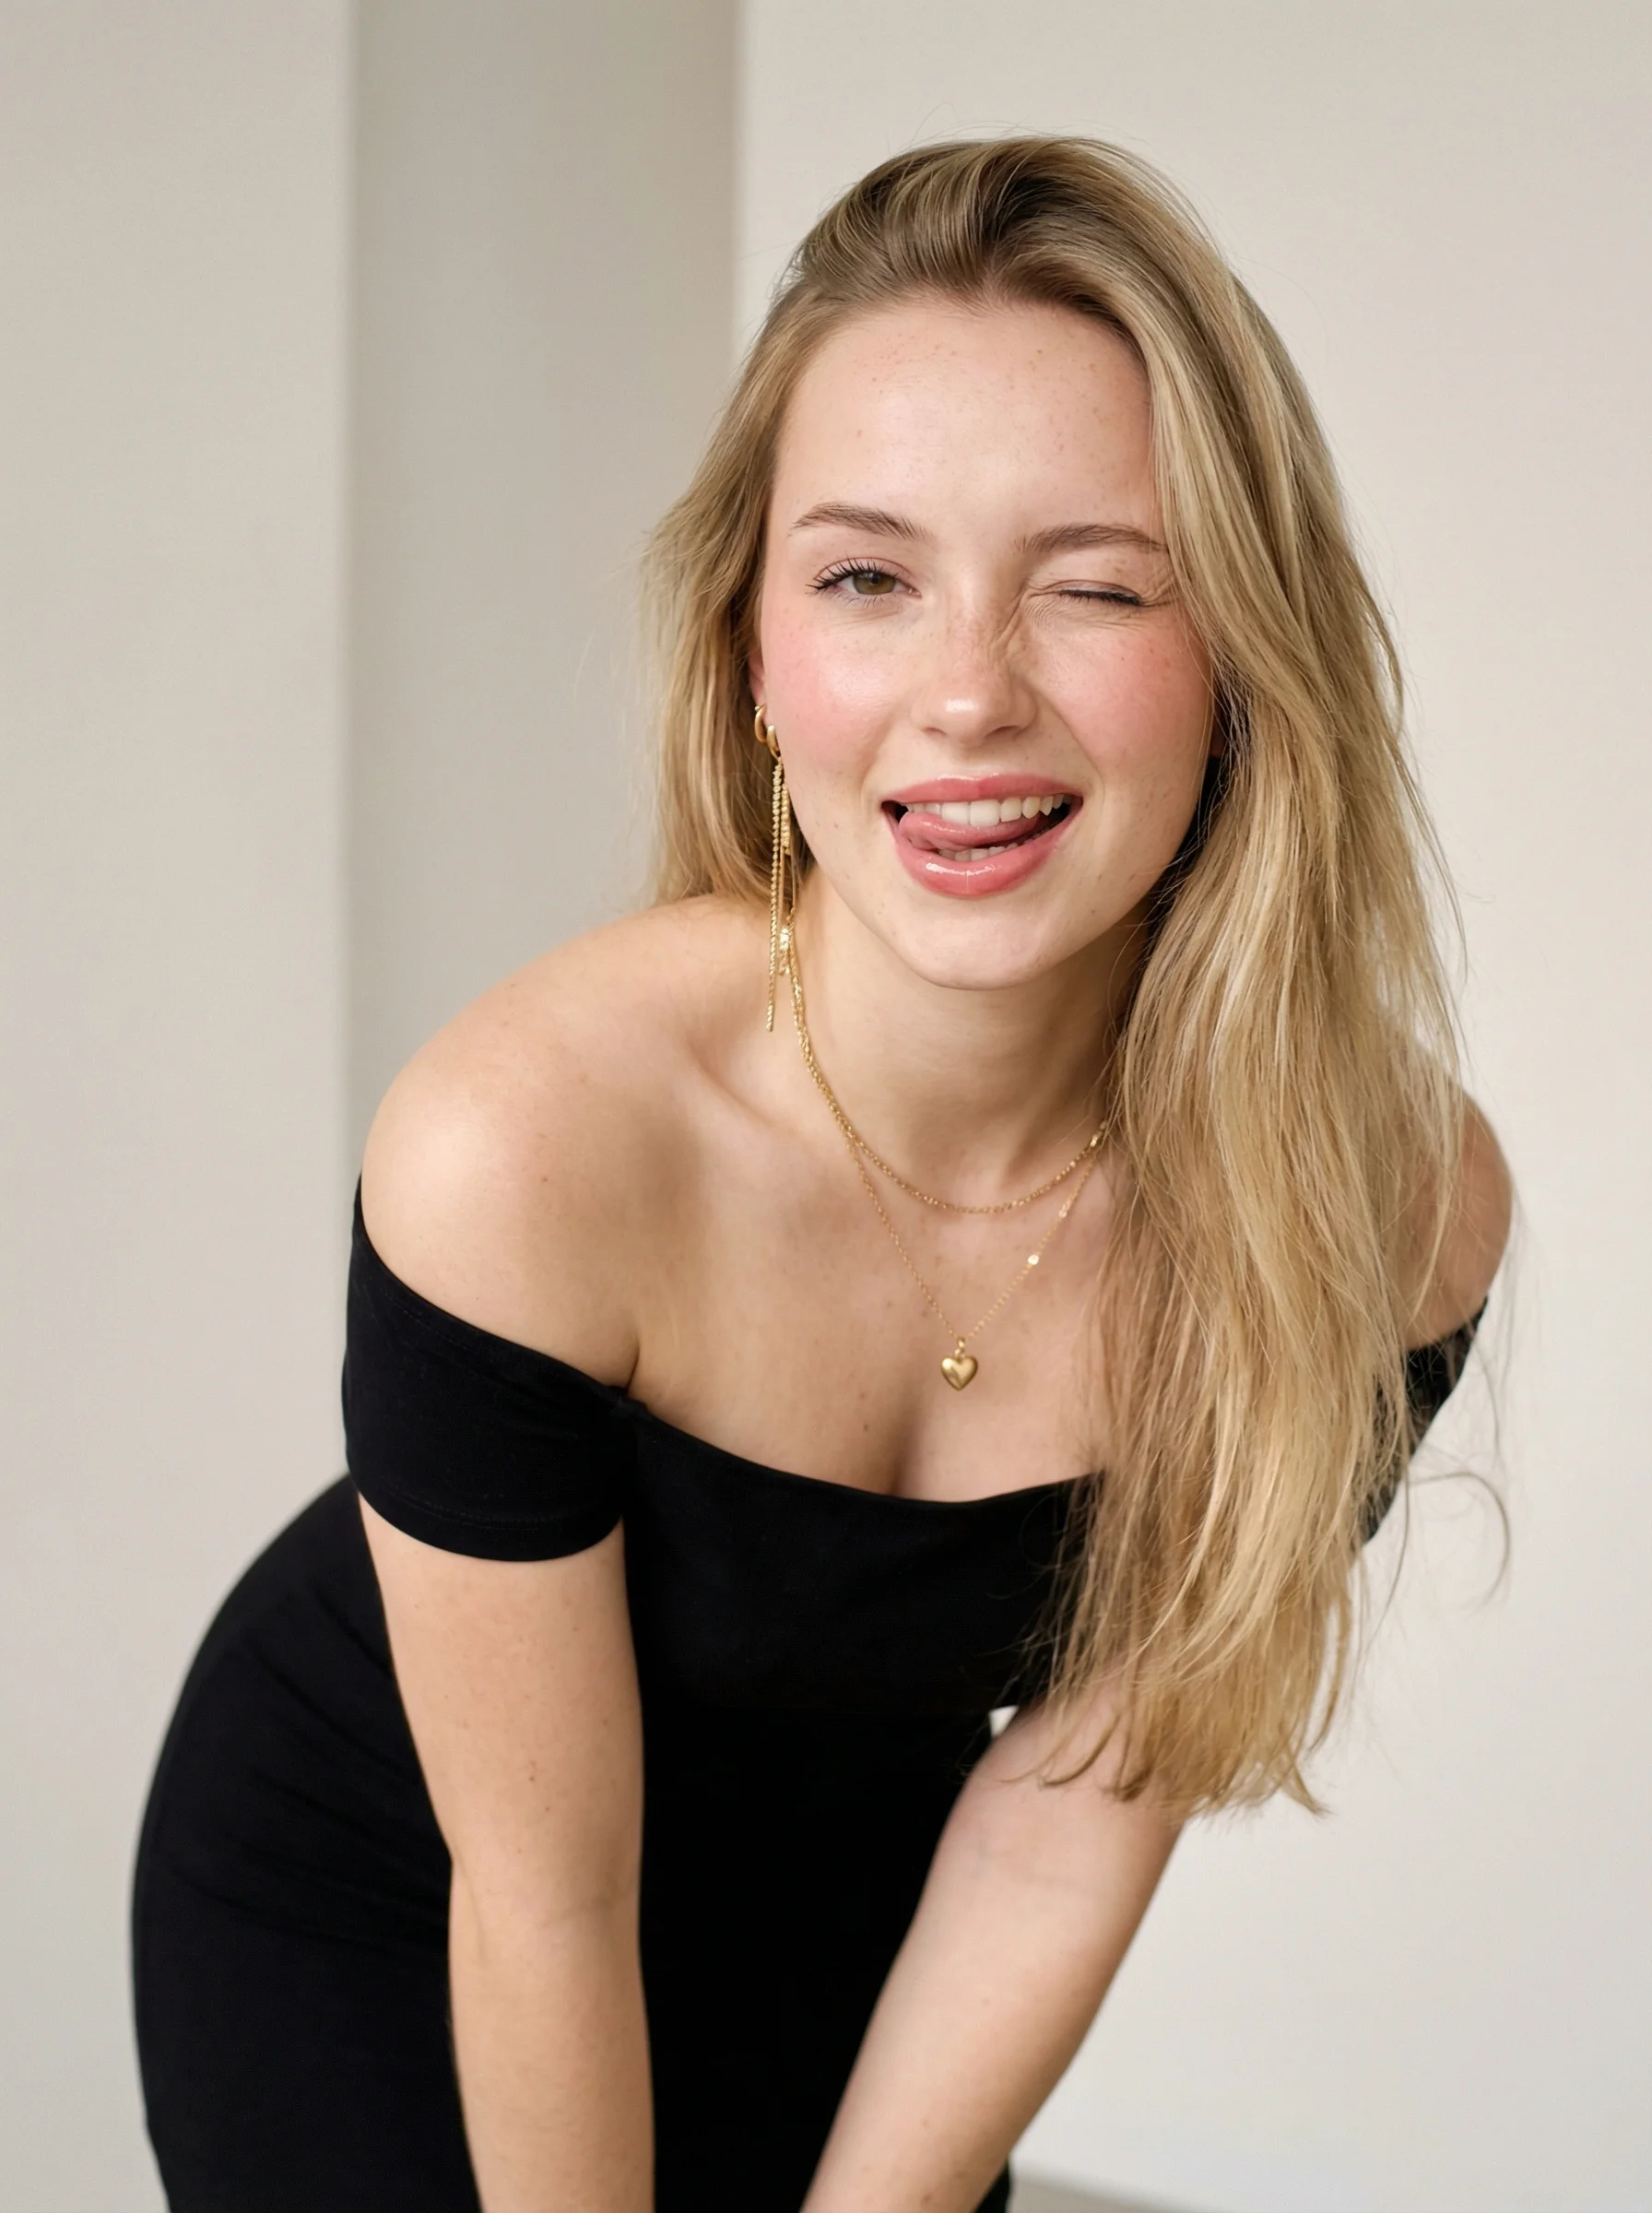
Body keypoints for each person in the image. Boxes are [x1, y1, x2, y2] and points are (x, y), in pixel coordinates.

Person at [132, 136, 1511, 2213]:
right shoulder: (524, 1145)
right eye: (866, 577)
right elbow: (546, 1902)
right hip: (400, 1896)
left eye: (1099, 579)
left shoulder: (1378, 1211)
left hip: (859, 1921)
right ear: (756, 661)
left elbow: (1064, 1807)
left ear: (1237, 661)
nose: (967, 692)